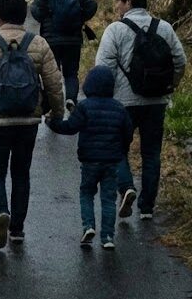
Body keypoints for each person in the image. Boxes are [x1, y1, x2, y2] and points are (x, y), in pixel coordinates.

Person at [0, 0, 64, 249]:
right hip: (28, 121)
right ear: (24, 15)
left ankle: (0, 212)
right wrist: (57, 113)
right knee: (21, 174)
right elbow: (54, 83)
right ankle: (17, 229)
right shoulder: (38, 43)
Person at [95, 0, 187, 221]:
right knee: (151, 152)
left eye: (118, 0)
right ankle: (147, 207)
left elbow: (103, 68)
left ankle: (126, 187)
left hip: (123, 102)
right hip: (157, 101)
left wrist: (105, 98)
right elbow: (180, 60)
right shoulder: (164, 28)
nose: (116, 5)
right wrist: (170, 85)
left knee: (117, 148)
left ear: (128, 2)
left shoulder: (115, 30)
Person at [46, 66, 133, 250]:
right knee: (108, 199)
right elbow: (128, 134)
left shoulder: (84, 107)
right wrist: (121, 150)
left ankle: (88, 227)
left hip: (89, 160)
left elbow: (70, 127)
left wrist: (52, 123)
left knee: (87, 193)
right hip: (112, 161)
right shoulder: (119, 109)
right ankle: (108, 236)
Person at [30, 0, 98, 108]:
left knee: (51, 74)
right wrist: (80, 19)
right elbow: (91, 6)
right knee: (71, 73)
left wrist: (46, 20)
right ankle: (71, 99)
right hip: (73, 37)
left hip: (50, 38)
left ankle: (52, 105)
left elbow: (36, 11)